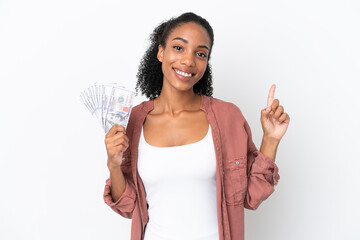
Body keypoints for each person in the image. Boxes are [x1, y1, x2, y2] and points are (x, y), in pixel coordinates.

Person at [103, 12, 290, 240]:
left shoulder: (227, 116)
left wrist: (270, 139)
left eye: (200, 53)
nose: (188, 61)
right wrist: (114, 164)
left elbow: (251, 197)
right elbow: (127, 206)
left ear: (206, 62)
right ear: (161, 52)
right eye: (179, 48)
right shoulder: (133, 121)